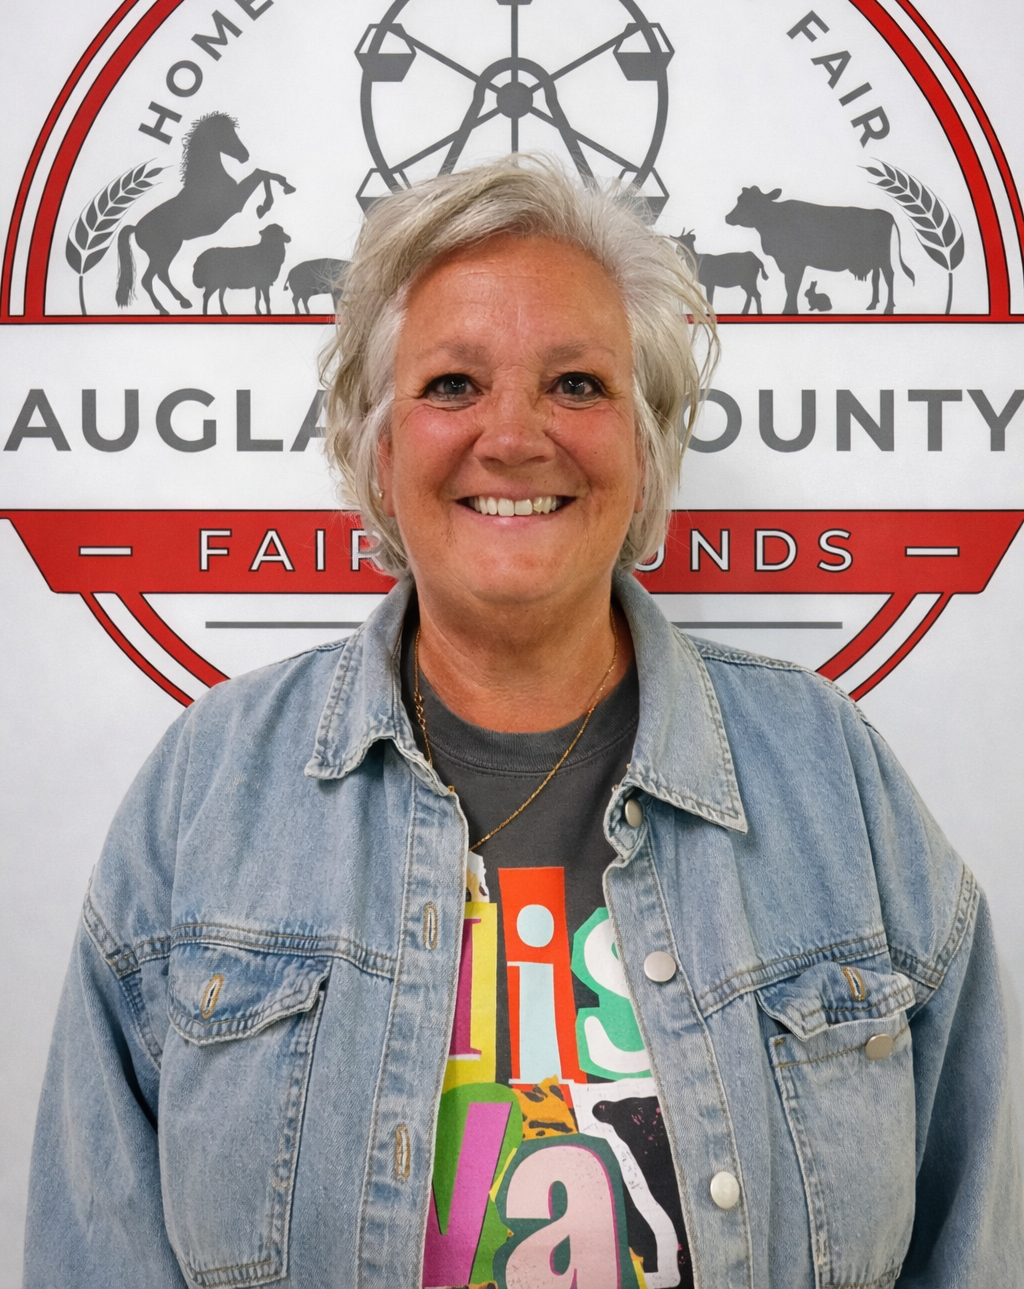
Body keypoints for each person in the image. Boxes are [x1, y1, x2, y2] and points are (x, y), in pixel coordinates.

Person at [25, 157, 1022, 1288]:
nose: (513, 436)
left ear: (645, 446)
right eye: (452, 384)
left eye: (577, 385)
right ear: (378, 450)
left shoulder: (829, 774)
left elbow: (972, 1242)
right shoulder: (210, 786)